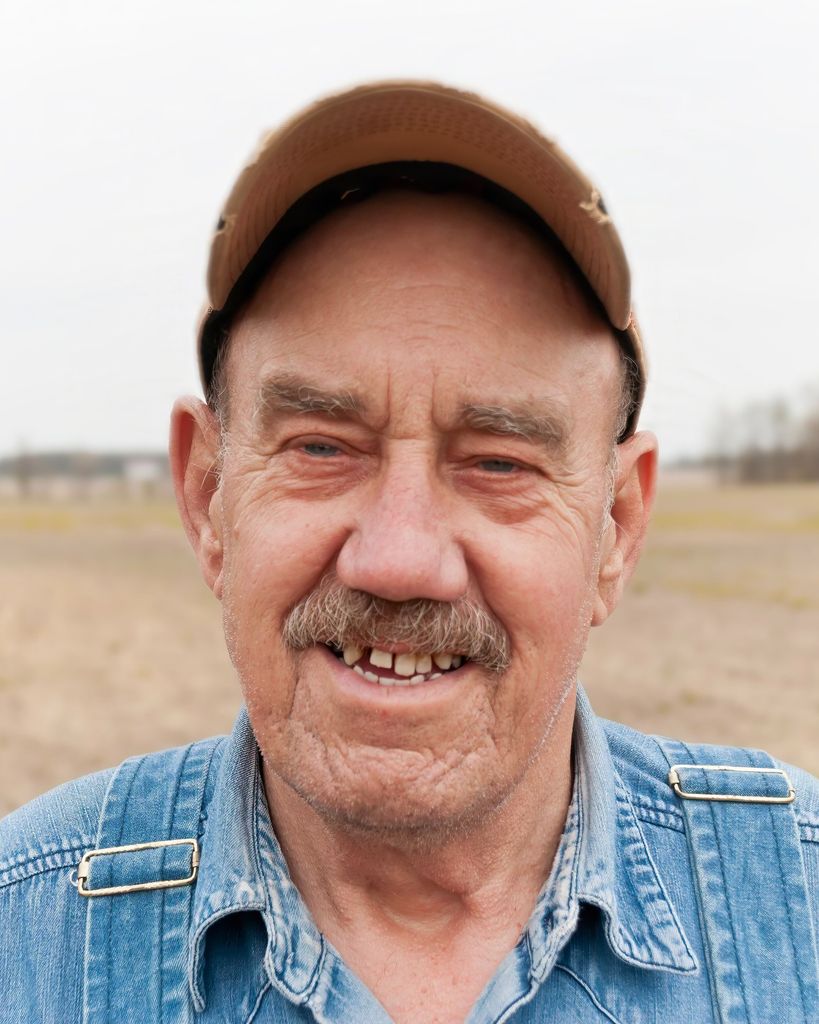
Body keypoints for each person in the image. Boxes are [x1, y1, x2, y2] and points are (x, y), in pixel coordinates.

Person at [1, 81, 817, 1024]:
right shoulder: (27, 937)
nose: (398, 560)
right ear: (207, 497)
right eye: (320, 447)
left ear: (616, 528)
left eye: (499, 462)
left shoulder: (796, 905)